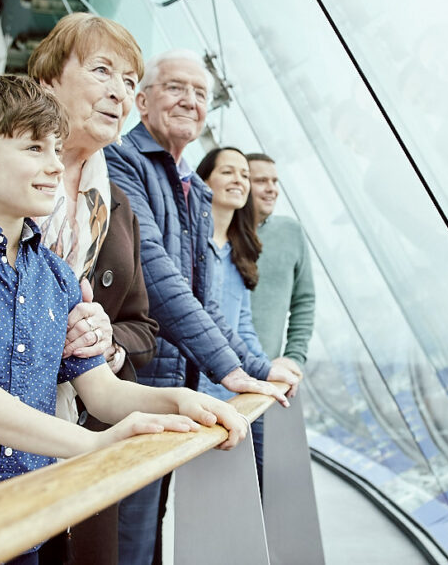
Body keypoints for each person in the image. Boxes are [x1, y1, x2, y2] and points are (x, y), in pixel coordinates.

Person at [0, 70, 247, 565]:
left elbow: (103, 390)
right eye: (34, 148)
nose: (56, 166)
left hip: (28, 525)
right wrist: (93, 443)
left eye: (57, 150)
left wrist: (181, 402)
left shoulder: (58, 275)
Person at [0, 12, 160, 565]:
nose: (120, 92)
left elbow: (113, 372)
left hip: (35, 501)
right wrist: (95, 445)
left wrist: (185, 402)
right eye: (103, 70)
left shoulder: (69, 261)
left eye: (131, 82)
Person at [104, 49, 300, 565]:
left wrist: (258, 368)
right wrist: (232, 369)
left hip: (173, 394)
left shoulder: (189, 187)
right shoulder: (120, 161)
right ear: (141, 101)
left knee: (149, 531)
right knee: (125, 533)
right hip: (132, 389)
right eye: (175, 87)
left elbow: (208, 303)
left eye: (200, 93)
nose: (190, 101)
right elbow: (159, 277)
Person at [194, 147, 295, 490]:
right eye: (228, 172)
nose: (239, 181)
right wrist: (262, 369)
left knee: (238, 488)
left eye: (243, 175)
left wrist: (266, 370)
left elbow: (242, 326)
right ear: (202, 181)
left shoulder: (239, 249)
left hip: (234, 395)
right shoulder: (192, 247)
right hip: (197, 393)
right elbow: (209, 320)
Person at [246, 153, 315, 367]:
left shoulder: (290, 231)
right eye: (260, 181)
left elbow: (304, 299)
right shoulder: (217, 234)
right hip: (218, 377)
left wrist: (294, 357)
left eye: (274, 181)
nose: (271, 189)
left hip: (272, 373)